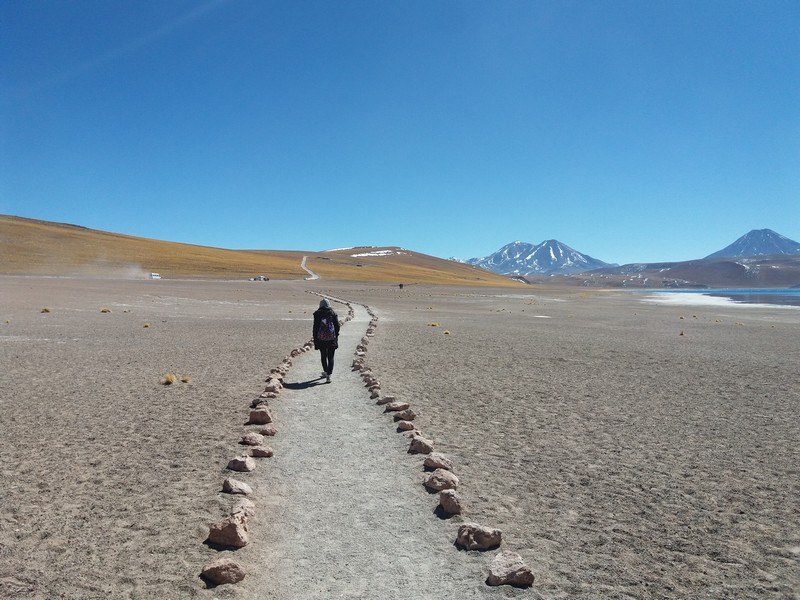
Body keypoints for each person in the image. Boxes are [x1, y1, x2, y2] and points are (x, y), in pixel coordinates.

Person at [312, 298, 340, 383]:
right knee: (331, 357)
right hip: (332, 338)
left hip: (321, 339)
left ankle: (325, 371)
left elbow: (315, 328)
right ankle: (329, 375)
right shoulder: (333, 313)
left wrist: (315, 339)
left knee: (323, 356)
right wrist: (336, 335)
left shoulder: (317, 314)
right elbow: (337, 326)